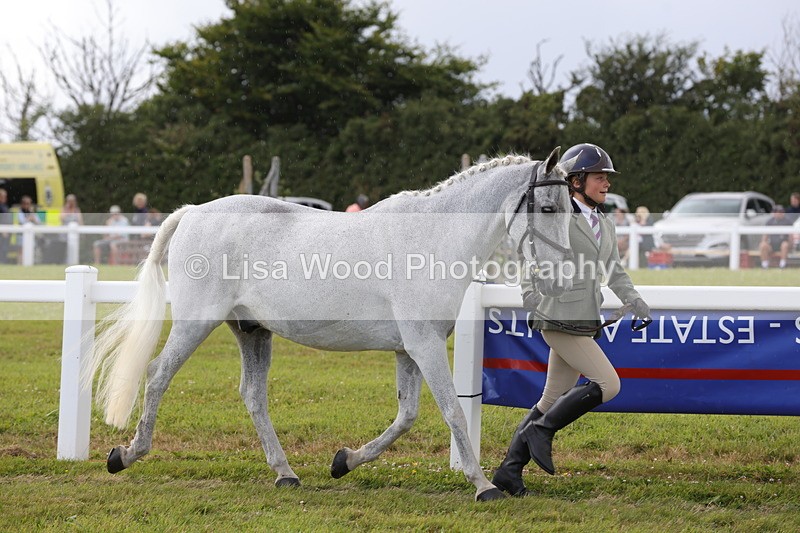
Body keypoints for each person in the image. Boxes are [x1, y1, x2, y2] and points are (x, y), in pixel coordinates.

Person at [491, 143, 651, 497]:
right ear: (576, 181)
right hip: (557, 315)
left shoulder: (604, 222)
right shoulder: (556, 216)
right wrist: (530, 295)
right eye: (599, 177)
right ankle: (542, 431)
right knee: (609, 384)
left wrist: (634, 299)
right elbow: (530, 256)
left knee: (550, 400)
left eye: (607, 178)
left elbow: (614, 270)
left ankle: (508, 472)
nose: (607, 183)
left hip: (584, 317)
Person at [0, 188, 10, 263]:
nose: (5, 198)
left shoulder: (4, 206)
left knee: (4, 248)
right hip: (2, 231)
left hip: (6, 230)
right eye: (3, 196)